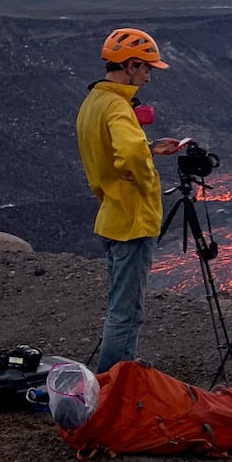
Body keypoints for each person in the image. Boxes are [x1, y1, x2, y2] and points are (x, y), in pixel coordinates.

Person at [75, 28, 185, 372]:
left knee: (120, 308)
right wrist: (147, 177)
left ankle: (118, 377)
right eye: (147, 69)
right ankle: (112, 388)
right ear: (131, 64)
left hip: (112, 215)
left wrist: (149, 149)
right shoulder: (118, 107)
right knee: (127, 313)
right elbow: (128, 156)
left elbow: (112, 155)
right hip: (132, 222)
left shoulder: (93, 102)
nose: (149, 76)